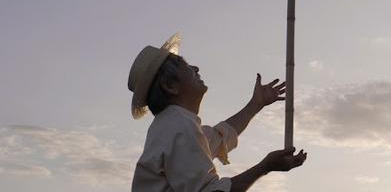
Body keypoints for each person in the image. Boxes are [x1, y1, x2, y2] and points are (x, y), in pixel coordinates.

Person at [128, 33, 307, 191]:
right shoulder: (179, 127)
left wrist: (256, 104)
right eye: (184, 64)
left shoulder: (171, 126)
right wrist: (265, 166)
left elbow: (220, 136)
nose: (195, 68)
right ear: (170, 85)